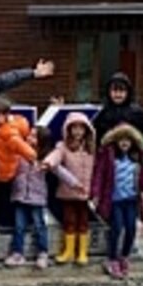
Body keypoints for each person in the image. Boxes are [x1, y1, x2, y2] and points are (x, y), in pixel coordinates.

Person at [91, 124, 143, 279]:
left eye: (128, 140)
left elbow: (142, 181)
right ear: (116, 141)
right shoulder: (108, 155)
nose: (124, 143)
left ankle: (124, 256)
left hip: (131, 200)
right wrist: (95, 193)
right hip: (114, 200)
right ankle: (112, 259)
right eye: (121, 140)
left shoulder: (136, 158)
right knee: (116, 228)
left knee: (131, 229)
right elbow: (99, 175)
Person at [4, 126, 79, 270]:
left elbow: (60, 171)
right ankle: (17, 253)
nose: (29, 138)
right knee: (19, 227)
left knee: (40, 226)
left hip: (37, 198)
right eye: (29, 135)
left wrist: (74, 183)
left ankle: (43, 253)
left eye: (34, 136)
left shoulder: (45, 158)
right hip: (20, 196)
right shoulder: (19, 154)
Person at [42, 112, 97, 265]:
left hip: (85, 193)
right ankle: (68, 251)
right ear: (68, 129)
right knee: (69, 221)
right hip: (68, 192)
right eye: (74, 128)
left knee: (83, 222)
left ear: (87, 130)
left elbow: (98, 169)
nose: (78, 132)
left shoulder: (91, 148)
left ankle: (82, 252)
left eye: (81, 128)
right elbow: (55, 156)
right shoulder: (63, 146)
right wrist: (48, 163)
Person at [0, 96, 36, 240]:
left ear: (6, 116)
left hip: (3, 175)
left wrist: (34, 158)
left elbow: (26, 150)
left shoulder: (9, 134)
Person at [90, 72, 143, 144]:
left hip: (132, 151)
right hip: (109, 152)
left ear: (128, 92)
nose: (118, 94)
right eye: (115, 91)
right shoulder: (104, 112)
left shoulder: (135, 112)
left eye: (121, 91)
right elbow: (94, 131)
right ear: (109, 92)